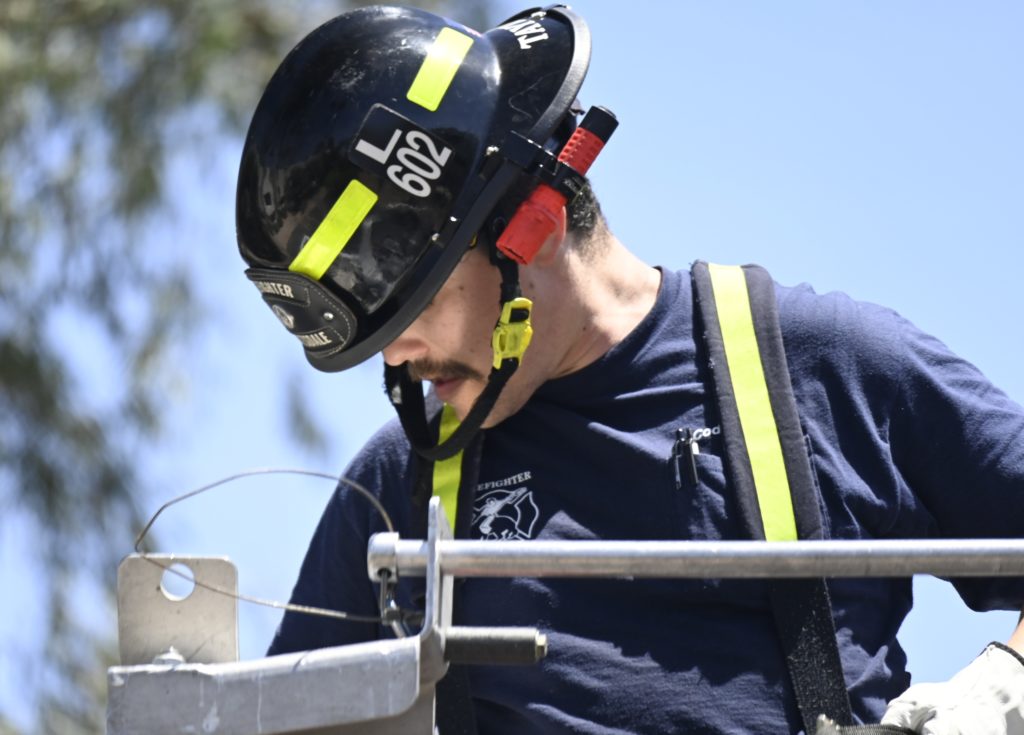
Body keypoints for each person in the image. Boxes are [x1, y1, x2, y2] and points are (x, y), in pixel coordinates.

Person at [234, 5, 1024, 734]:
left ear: (533, 226)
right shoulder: (399, 489)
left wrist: (1004, 688)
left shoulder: (825, 369)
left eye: (416, 306)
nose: (396, 355)